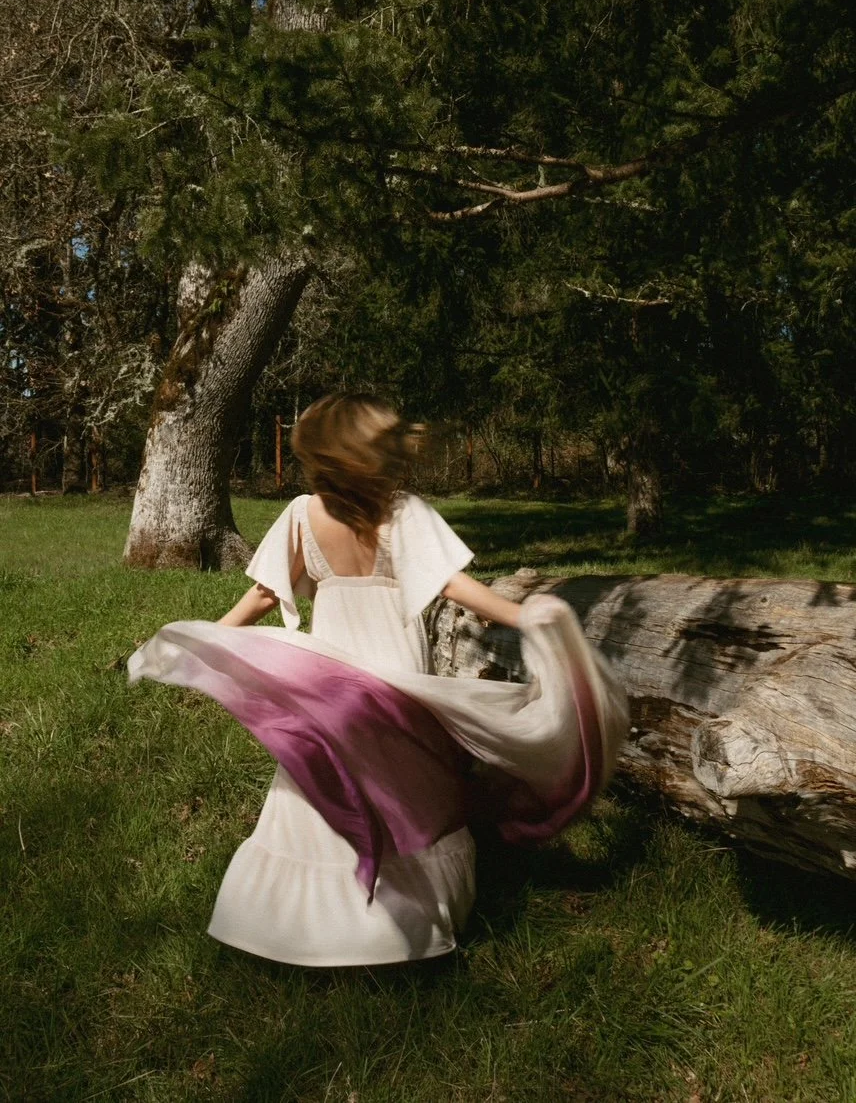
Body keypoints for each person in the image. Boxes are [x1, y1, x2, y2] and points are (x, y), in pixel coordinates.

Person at [129, 393, 628, 967]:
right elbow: (452, 585)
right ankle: (405, 925)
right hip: (395, 673)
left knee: (324, 782)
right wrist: (523, 614)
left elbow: (267, 593)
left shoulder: (302, 513)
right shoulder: (403, 512)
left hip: (332, 680)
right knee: (411, 786)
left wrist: (208, 635)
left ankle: (290, 924)